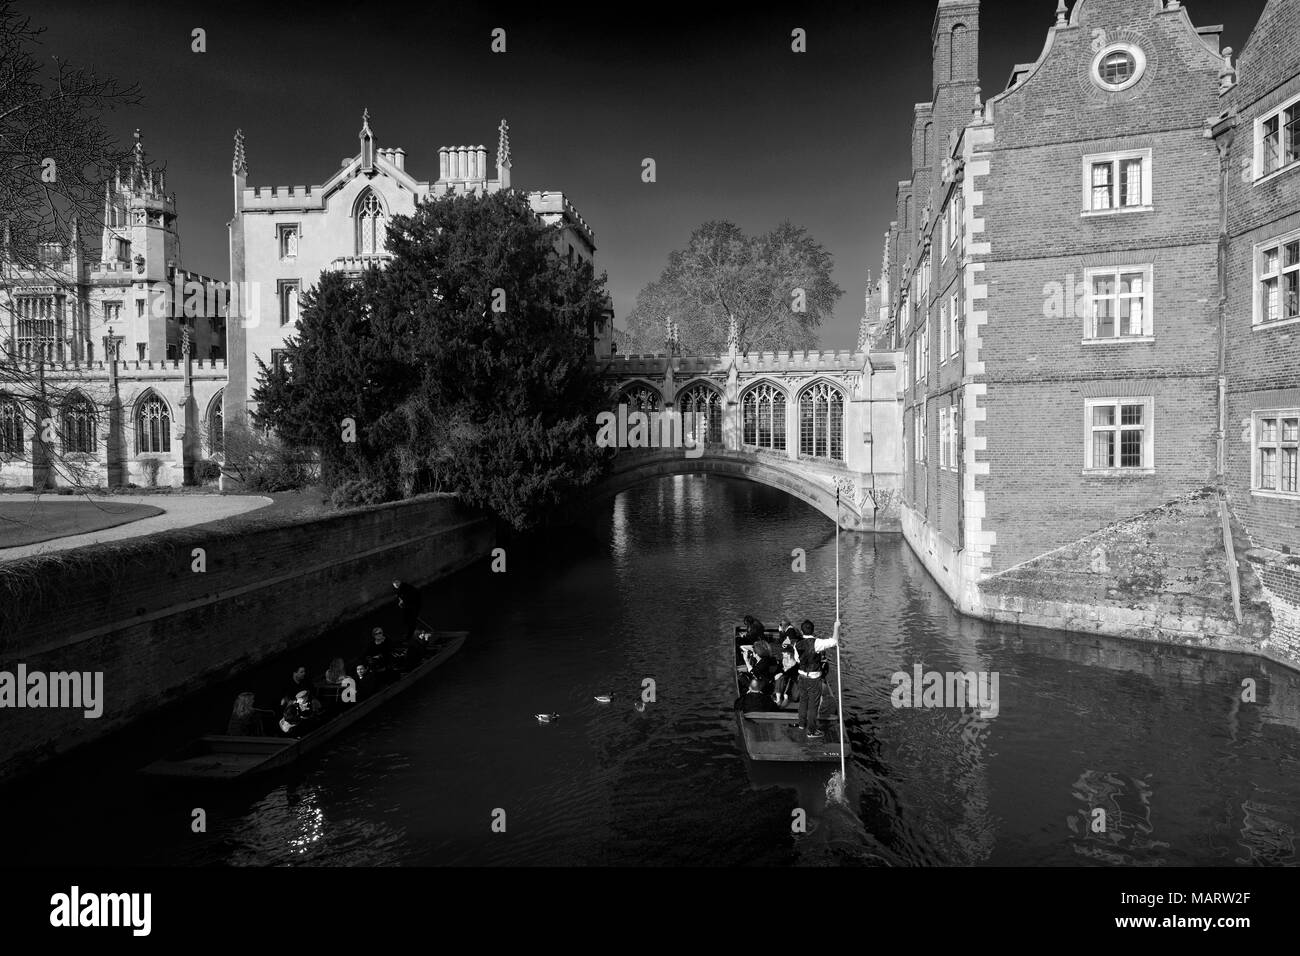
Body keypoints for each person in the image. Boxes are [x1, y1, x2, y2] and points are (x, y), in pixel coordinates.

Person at [794, 619, 840, 739]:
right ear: (813, 630)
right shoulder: (817, 643)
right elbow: (834, 641)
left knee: (803, 701)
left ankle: (801, 725)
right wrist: (836, 627)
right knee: (813, 705)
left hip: (801, 676)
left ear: (801, 630)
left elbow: (798, 660)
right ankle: (811, 731)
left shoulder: (797, 644)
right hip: (813, 678)